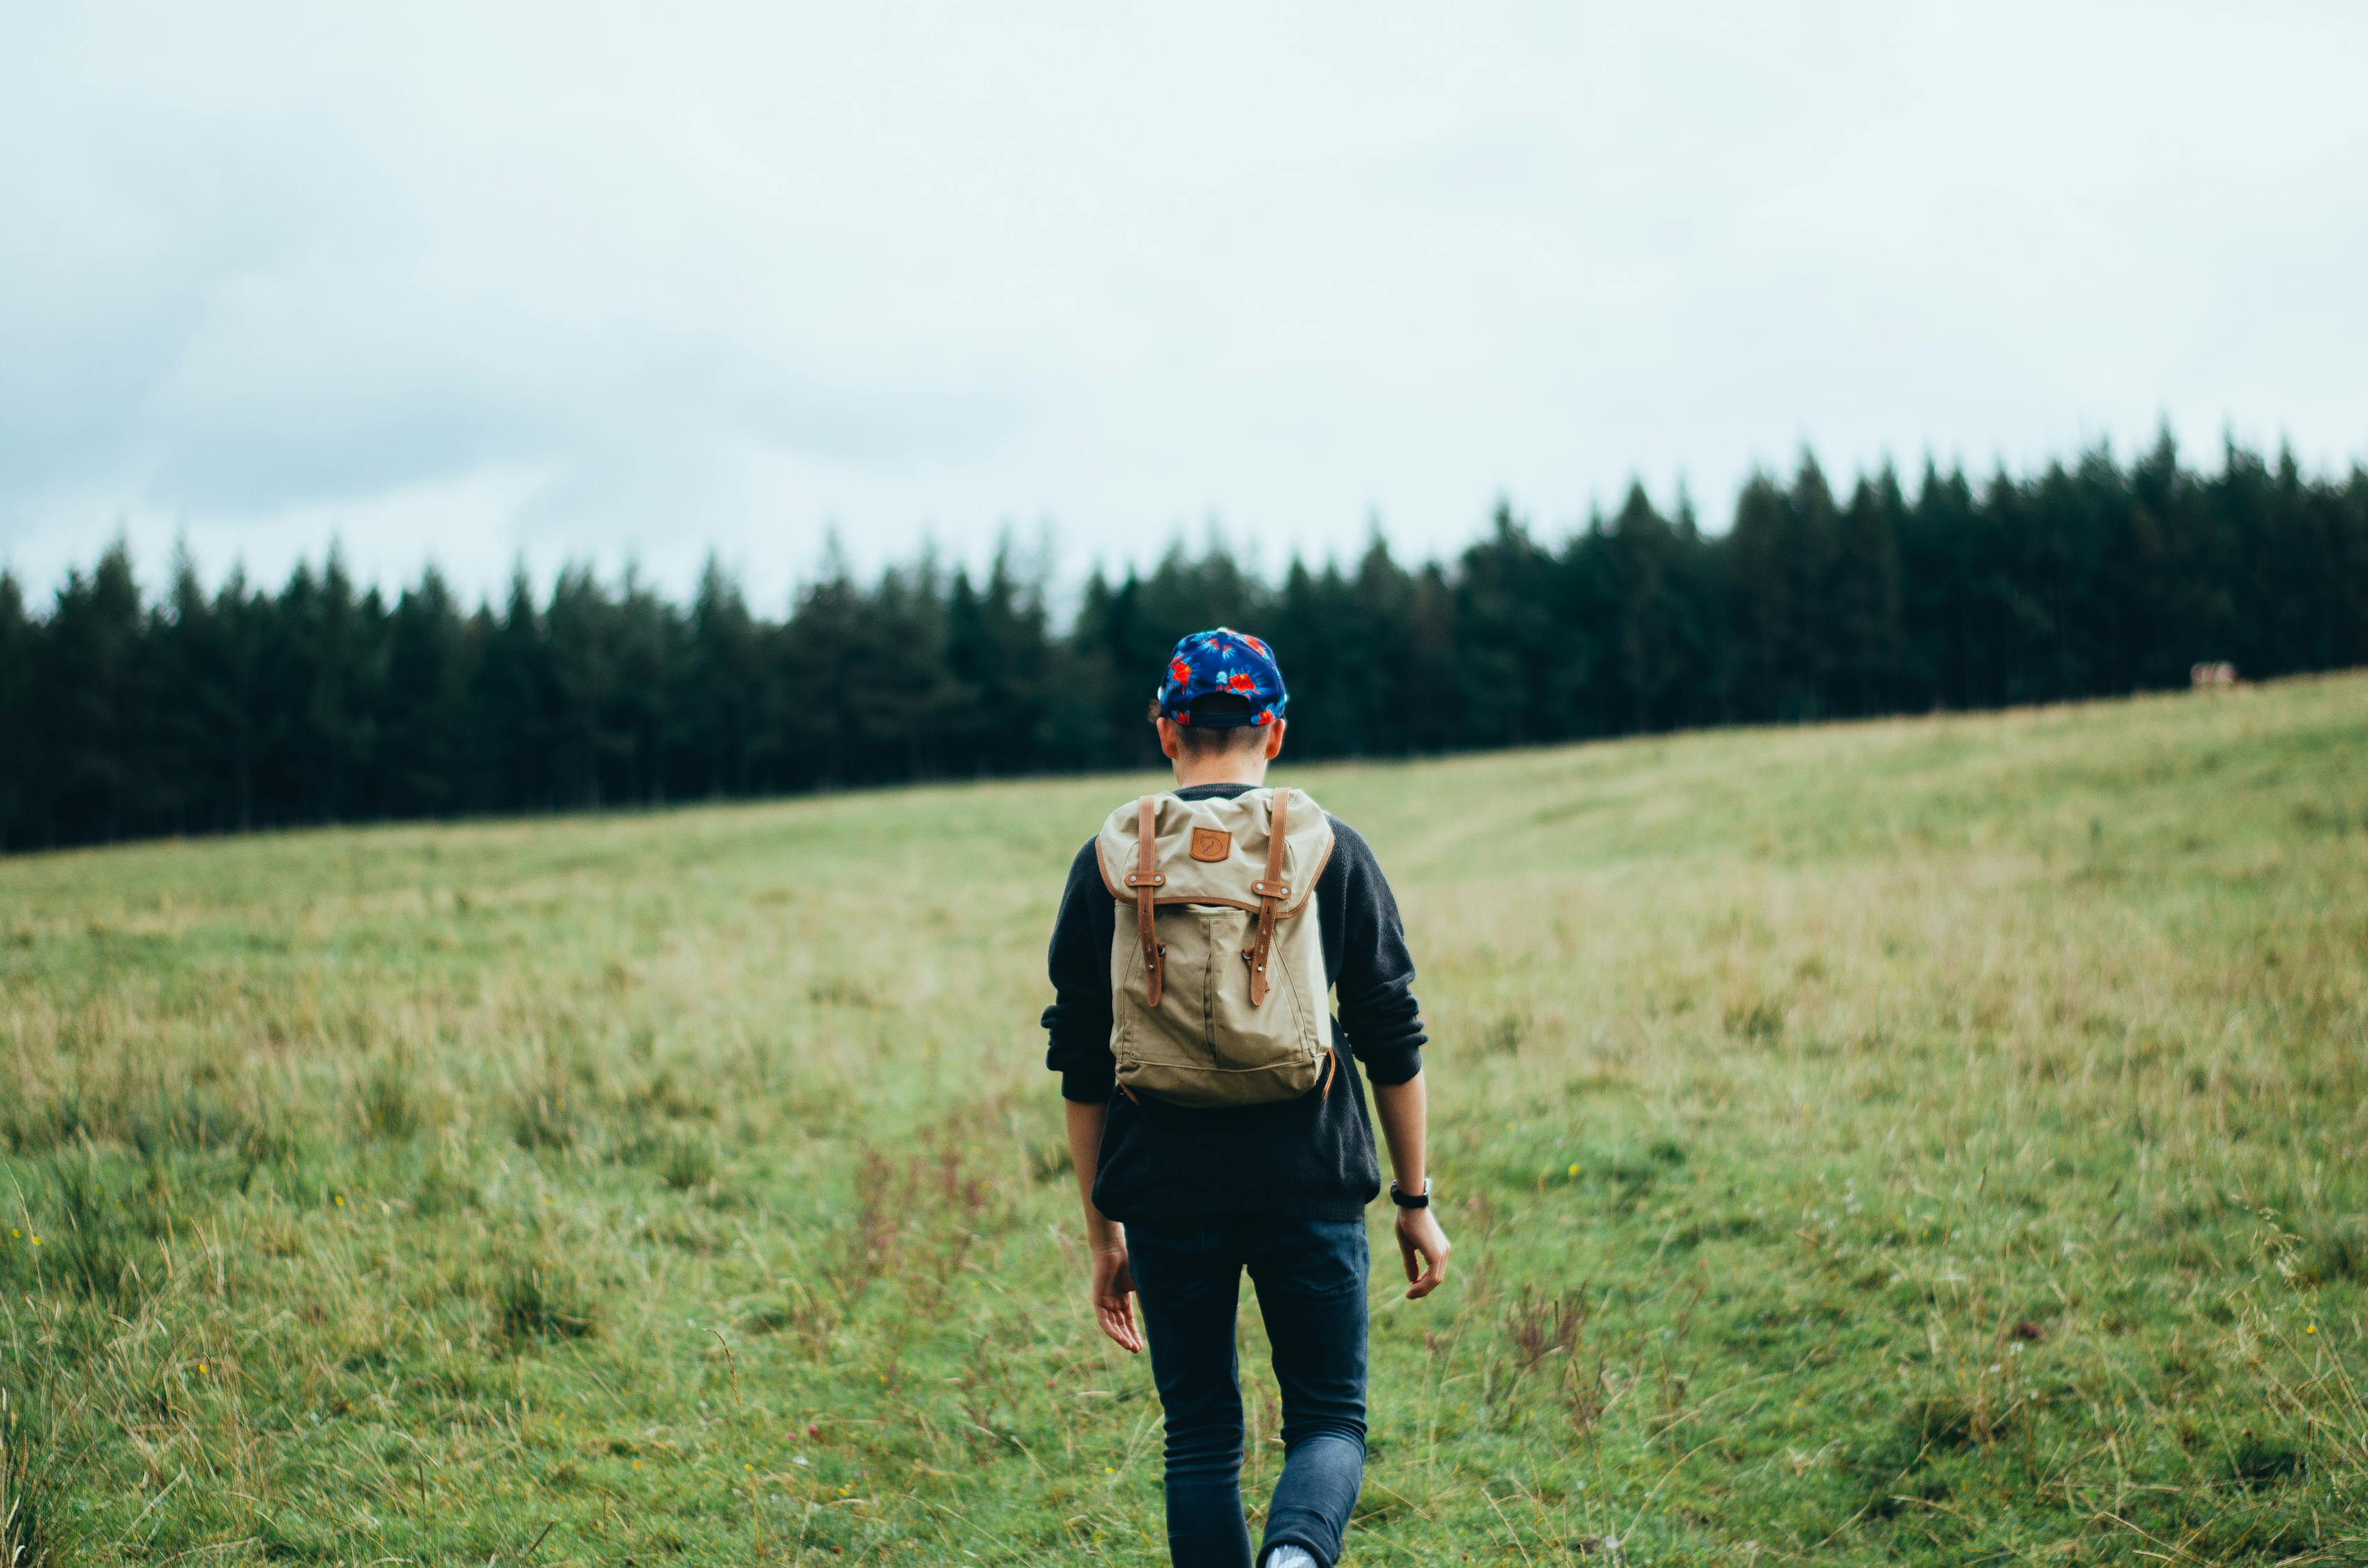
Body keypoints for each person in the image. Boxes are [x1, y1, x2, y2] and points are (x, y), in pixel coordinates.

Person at [1041, 628, 1451, 1568]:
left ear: (1165, 731)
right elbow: (1390, 1033)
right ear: (1273, 727)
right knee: (1327, 1419)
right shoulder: (1328, 849)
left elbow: (1080, 1058)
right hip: (1309, 1178)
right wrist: (1414, 1201)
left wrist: (1104, 1230)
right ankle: (1297, 1558)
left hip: (1163, 1188)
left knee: (1199, 1436)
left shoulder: (1107, 860)